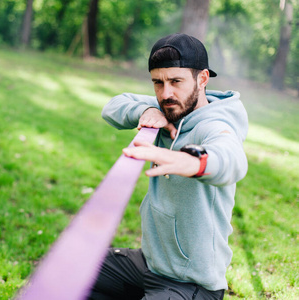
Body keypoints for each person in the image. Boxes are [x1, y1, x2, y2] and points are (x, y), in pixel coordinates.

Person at [88, 33, 248, 300]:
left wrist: (194, 161)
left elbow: (231, 159)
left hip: (191, 285)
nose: (166, 93)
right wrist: (144, 112)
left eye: (176, 81)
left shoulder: (215, 124)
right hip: (149, 266)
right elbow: (112, 106)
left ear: (203, 79)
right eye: (158, 83)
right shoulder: (171, 107)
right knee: (74, 268)